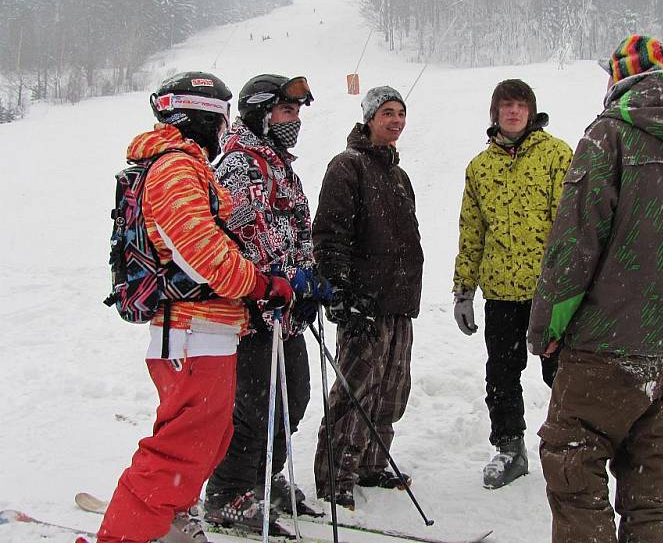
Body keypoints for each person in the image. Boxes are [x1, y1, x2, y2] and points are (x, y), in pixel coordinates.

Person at [527, 34, 663, 543]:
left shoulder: (608, 137)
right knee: (653, 483)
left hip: (607, 346)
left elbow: (575, 246)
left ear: (621, 81)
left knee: (574, 468)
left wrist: (545, 331)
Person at [97, 72, 293, 543]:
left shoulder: (187, 166)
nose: (225, 127)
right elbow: (204, 254)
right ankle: (127, 534)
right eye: (221, 115)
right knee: (181, 450)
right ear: (199, 114)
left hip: (204, 330)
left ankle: (169, 521)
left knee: (206, 441)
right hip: (190, 331)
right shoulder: (175, 168)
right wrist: (262, 283)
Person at [203, 74, 327, 537]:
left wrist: (309, 276)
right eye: (287, 111)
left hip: (284, 309)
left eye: (296, 113)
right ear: (260, 112)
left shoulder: (276, 161)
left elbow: (295, 225)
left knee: (293, 397)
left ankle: (262, 476)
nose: (294, 121)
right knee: (254, 408)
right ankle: (228, 491)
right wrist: (280, 276)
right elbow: (247, 227)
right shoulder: (239, 162)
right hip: (252, 309)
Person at [452, 78, 573, 489]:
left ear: (532, 111)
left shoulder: (558, 156)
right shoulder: (479, 168)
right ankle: (509, 448)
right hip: (501, 293)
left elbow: (572, 227)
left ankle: (573, 448)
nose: (513, 112)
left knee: (561, 373)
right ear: (495, 113)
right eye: (506, 105)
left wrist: (575, 286)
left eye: (520, 105)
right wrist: (464, 290)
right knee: (502, 375)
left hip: (550, 293)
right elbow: (472, 233)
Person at [312, 86, 424, 509]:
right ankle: (335, 473)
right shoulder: (347, 167)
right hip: (364, 302)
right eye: (387, 113)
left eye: (400, 113)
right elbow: (329, 234)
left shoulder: (398, 174)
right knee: (356, 389)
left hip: (398, 301)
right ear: (370, 118)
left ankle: (371, 464)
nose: (395, 120)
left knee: (392, 390)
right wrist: (339, 292)